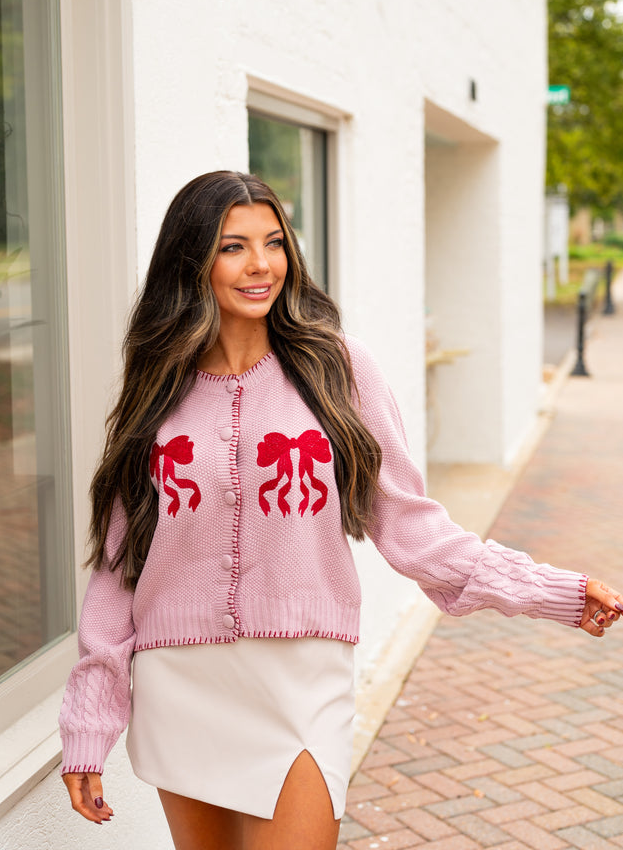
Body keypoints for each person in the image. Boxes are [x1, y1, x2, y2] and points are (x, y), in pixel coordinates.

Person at [60, 170, 621, 850]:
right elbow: (120, 568)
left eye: (274, 242)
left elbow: (412, 528)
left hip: (301, 677)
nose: (261, 264)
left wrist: (549, 591)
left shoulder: (337, 370)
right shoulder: (157, 390)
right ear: (191, 260)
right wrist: (90, 727)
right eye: (232, 246)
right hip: (181, 681)